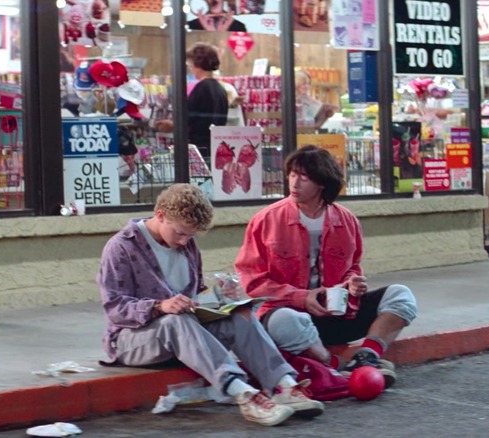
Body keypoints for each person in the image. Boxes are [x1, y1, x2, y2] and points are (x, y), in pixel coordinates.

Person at [96, 184, 324, 427]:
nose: (185, 241)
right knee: (176, 320)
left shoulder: (187, 245)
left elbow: (193, 295)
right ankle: (243, 394)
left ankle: (284, 385)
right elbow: (115, 307)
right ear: (160, 215)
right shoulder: (121, 247)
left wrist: (221, 298)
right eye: (181, 233)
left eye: (191, 236)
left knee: (240, 315)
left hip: (184, 332)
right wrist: (160, 306)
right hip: (131, 340)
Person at [234, 146, 418, 388]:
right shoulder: (266, 220)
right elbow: (253, 281)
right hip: (289, 319)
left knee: (401, 295)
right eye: (291, 174)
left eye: (304, 177)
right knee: (285, 321)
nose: (294, 183)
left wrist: (353, 283)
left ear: (321, 182)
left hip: (337, 315)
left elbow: (353, 266)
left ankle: (366, 358)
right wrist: (302, 298)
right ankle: (334, 366)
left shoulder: (346, 220)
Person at [156, 43, 228, 162]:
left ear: (197, 64)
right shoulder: (219, 88)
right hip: (215, 145)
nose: (190, 68)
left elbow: (188, 118)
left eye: (190, 64)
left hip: (200, 147)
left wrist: (172, 124)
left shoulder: (201, 87)